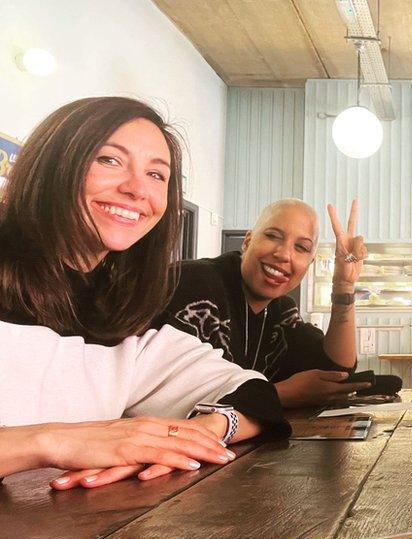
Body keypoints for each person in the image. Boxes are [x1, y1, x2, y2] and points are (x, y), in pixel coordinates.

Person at [0, 97, 289, 490]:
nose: (137, 189)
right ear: (52, 163)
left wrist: (193, 434)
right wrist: (49, 442)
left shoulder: (123, 313)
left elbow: (254, 396)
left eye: (157, 175)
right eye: (109, 160)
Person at [155, 198, 370, 408]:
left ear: (309, 264)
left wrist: (343, 285)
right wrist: (279, 395)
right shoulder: (191, 281)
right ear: (248, 241)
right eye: (272, 236)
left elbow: (336, 371)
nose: (284, 254)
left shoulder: (281, 311)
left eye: (301, 248)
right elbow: (163, 392)